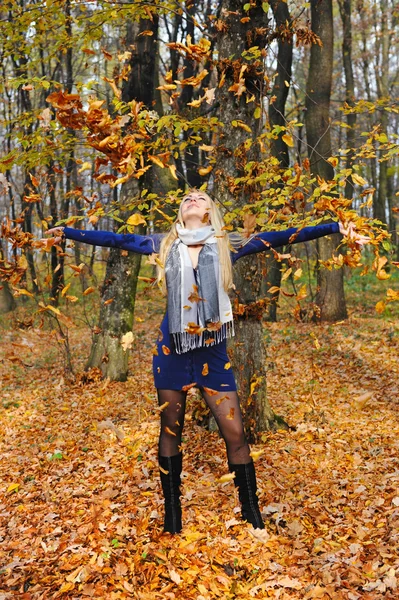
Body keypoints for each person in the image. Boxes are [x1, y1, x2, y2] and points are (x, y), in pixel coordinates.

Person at [46, 190, 364, 533]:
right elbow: (113, 239)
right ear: (181, 213)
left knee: (236, 432)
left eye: (200, 197)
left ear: (210, 211)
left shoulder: (229, 244)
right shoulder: (162, 243)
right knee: (171, 430)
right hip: (172, 352)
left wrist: (336, 227)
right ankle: (172, 516)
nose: (192, 199)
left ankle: (251, 514)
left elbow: (283, 235)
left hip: (212, 352)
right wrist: (68, 232)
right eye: (185, 198)